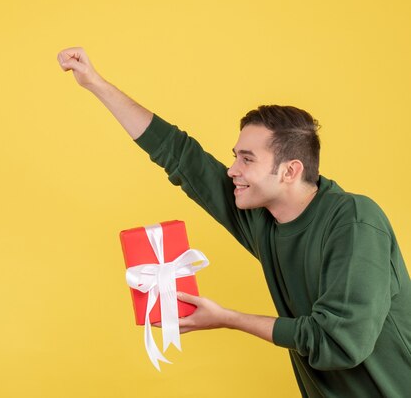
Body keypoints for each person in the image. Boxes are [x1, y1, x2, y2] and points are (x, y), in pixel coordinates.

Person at [57, 47, 411, 397]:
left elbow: (340, 344)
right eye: (234, 157)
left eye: (247, 159)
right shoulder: (261, 216)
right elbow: (180, 155)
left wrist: (228, 318)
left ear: (290, 171)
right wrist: (96, 84)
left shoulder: (355, 222)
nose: (232, 170)